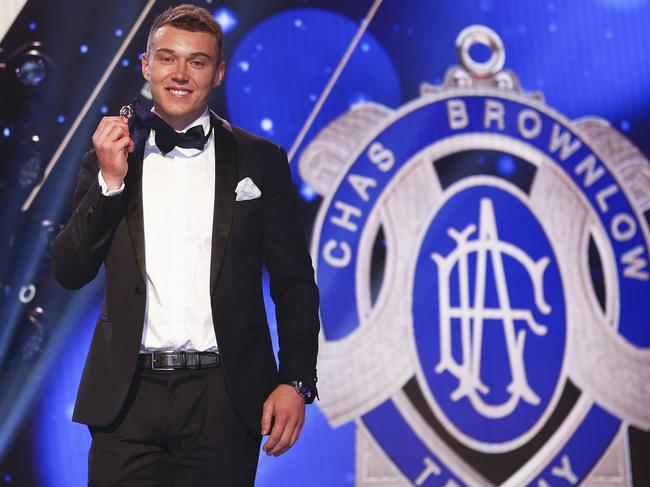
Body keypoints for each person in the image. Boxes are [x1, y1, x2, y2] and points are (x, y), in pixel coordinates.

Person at [51, 4, 319, 486]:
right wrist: (110, 183)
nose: (180, 74)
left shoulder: (260, 160)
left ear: (217, 73)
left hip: (224, 397)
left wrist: (296, 380)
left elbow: (295, 283)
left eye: (196, 62)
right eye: (167, 58)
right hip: (126, 399)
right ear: (146, 65)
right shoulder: (108, 159)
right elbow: (69, 271)